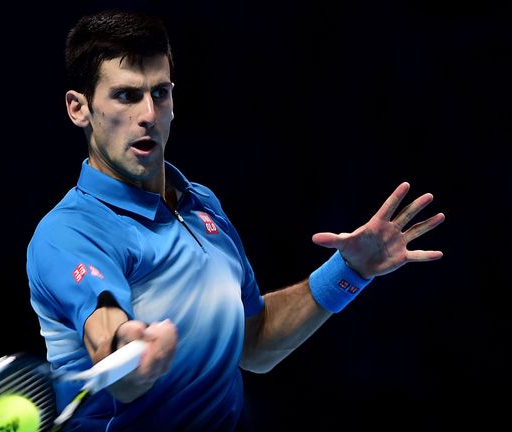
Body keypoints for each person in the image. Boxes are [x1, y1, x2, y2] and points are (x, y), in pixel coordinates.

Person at [25, 9, 445, 431]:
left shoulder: (202, 204)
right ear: (78, 108)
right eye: (126, 96)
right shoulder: (69, 233)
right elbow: (105, 327)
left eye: (161, 93)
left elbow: (255, 345)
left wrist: (350, 269)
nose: (149, 114)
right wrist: (130, 351)